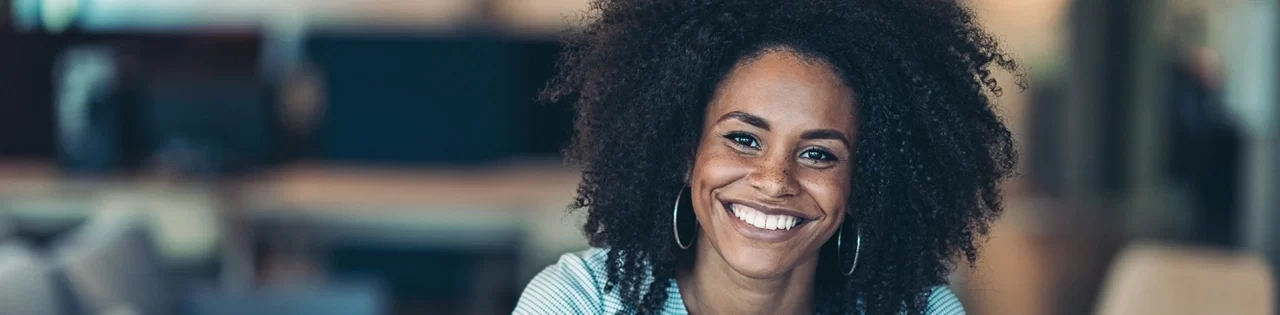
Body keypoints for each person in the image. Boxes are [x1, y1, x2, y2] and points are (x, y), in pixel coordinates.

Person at [515, 0, 1024, 314]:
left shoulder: (920, 313)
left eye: (819, 153)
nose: (775, 179)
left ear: (864, 181)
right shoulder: (580, 302)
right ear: (684, 152)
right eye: (744, 139)